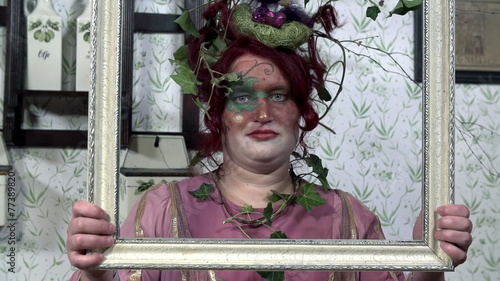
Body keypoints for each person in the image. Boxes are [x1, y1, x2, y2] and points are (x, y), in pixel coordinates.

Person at [67, 1, 473, 280]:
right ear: (218, 115)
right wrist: (94, 270)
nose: (262, 114)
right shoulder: (161, 210)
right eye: (242, 97)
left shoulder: (348, 219)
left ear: (301, 112)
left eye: (279, 96)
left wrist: (429, 262)